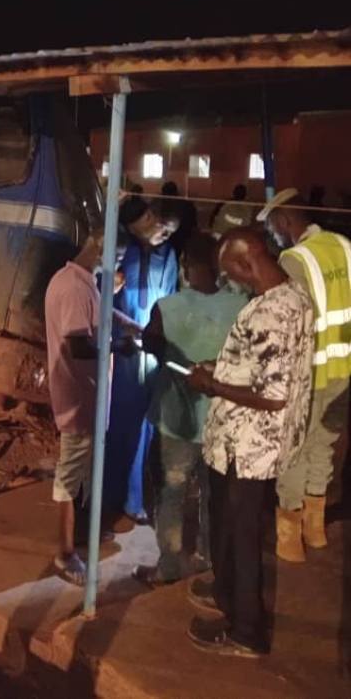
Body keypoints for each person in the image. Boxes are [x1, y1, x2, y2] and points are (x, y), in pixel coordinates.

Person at [184, 228, 312, 658]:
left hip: (249, 447)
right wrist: (219, 369)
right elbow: (262, 369)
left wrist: (213, 384)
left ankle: (245, 629)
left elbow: (274, 397)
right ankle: (227, 593)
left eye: (230, 274)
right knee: (230, 528)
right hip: (245, 443)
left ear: (245, 261)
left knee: (241, 536)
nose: (230, 283)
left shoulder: (272, 313)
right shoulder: (292, 298)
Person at [132, 233, 248, 587]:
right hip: (222, 420)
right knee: (214, 496)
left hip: (177, 421)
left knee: (172, 491)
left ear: (185, 266)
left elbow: (150, 344)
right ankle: (208, 559)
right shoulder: (239, 305)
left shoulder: (168, 307)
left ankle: (168, 566)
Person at [260, 188, 351, 559]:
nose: (275, 237)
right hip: (344, 368)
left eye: (273, 229)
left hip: (310, 371)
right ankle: (316, 530)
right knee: (324, 447)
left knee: (294, 451)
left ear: (285, 221)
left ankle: (289, 539)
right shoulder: (344, 246)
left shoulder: (294, 258)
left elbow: (290, 323)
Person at [45, 227, 137, 585]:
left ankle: (82, 533)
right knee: (69, 475)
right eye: (114, 257)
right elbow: (77, 345)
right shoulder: (74, 287)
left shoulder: (82, 281)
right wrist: (120, 348)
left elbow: (98, 316)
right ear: (99, 245)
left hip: (87, 394)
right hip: (76, 397)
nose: (116, 266)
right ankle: (65, 554)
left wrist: (133, 329)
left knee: (81, 470)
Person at [104, 197, 179, 525]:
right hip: (124, 355)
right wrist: (129, 330)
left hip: (153, 354)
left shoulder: (167, 254)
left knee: (145, 430)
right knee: (118, 427)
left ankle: (133, 499)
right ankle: (107, 498)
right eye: (144, 220)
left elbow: (172, 300)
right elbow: (101, 300)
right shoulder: (121, 254)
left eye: (152, 216)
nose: (153, 224)